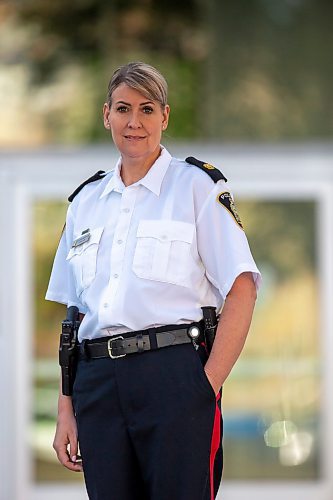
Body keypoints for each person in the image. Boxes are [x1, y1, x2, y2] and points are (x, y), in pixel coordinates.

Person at [46, 61, 261, 500]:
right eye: (123, 109)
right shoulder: (85, 202)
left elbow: (242, 286)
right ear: (106, 114)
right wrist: (66, 406)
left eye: (147, 109)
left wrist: (206, 385)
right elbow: (74, 316)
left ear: (165, 117)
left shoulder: (196, 187)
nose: (134, 122)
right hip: (97, 382)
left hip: (174, 374)